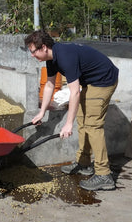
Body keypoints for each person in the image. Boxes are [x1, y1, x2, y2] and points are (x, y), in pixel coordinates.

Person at [25, 30, 119, 191]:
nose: (32, 55)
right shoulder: (52, 59)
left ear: (44, 47)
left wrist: (68, 124)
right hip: (90, 82)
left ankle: (104, 174)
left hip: (103, 80)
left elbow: (74, 92)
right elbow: (49, 85)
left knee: (93, 125)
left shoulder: (65, 56)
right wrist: (42, 112)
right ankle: (84, 163)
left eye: (33, 51)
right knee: (82, 122)